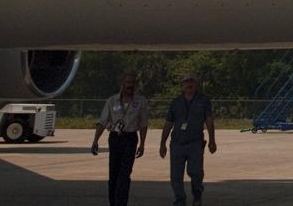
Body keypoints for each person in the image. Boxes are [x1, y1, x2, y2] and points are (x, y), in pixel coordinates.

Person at [90, 72, 150, 206]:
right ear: (122, 84)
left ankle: (121, 203)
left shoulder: (141, 101)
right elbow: (102, 121)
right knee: (114, 174)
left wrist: (142, 144)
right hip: (115, 138)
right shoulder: (112, 101)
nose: (130, 85)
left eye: (132, 83)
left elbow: (143, 124)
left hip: (130, 138)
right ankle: (113, 202)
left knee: (125, 174)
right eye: (127, 83)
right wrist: (95, 140)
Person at [159, 73, 217, 206]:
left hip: (195, 143)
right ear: (182, 85)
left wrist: (212, 140)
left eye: (192, 81)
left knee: (195, 172)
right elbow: (168, 123)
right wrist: (162, 143)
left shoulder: (203, 101)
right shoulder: (176, 102)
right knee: (176, 176)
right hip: (177, 143)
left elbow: (208, 120)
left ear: (197, 84)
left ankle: (197, 194)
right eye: (186, 82)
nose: (189, 84)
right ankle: (180, 200)